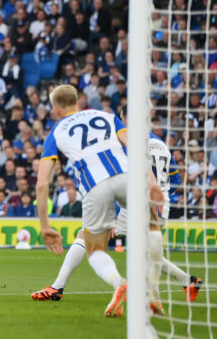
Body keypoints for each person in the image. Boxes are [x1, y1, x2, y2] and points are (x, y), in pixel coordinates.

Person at [31, 104, 202, 305]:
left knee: (85, 236)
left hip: (135, 204)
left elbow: (120, 179)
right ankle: (189, 281)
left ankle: (56, 287)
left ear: (126, 119)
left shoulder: (127, 143)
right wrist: (164, 197)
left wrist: (114, 213)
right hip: (161, 205)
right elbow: (174, 177)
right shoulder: (161, 144)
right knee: (147, 253)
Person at [33, 85, 166, 317]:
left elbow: (42, 184)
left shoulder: (55, 132)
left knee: (94, 250)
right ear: (78, 100)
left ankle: (117, 283)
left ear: (55, 108)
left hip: (94, 188)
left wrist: (45, 226)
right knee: (151, 230)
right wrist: (151, 180)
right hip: (127, 178)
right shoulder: (108, 117)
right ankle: (152, 292)